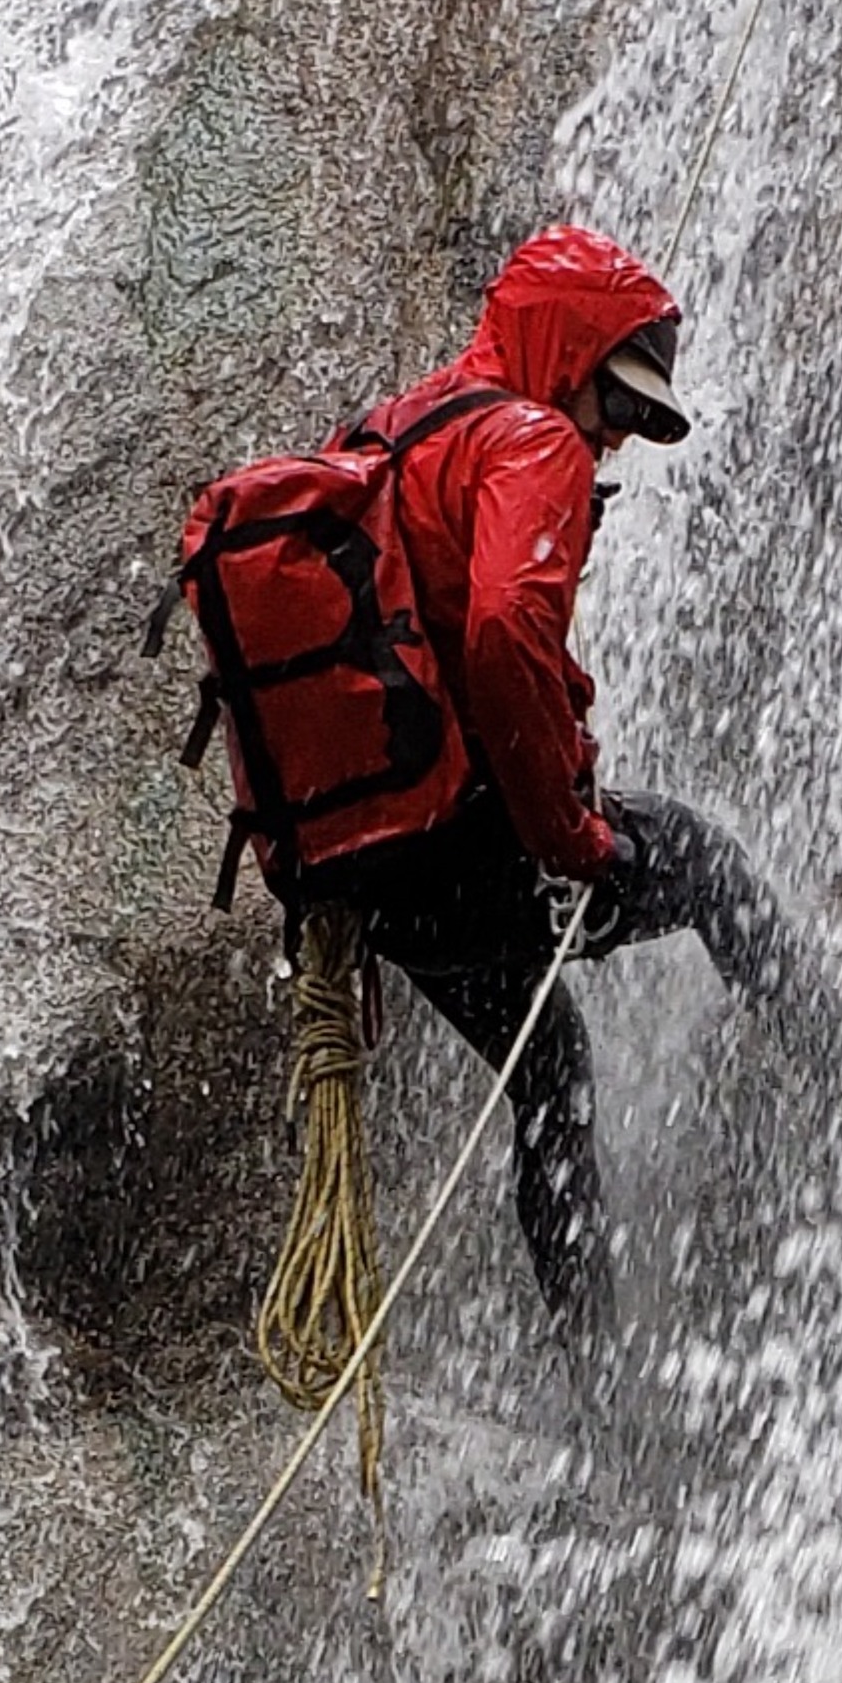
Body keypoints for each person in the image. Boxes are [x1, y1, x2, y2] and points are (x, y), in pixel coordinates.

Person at [293, 223, 797, 1339]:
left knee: (551, 1071)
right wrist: (569, 838)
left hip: (377, 881)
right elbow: (505, 630)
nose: (614, 440)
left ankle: (591, 1372)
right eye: (615, 404)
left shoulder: (392, 433)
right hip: (472, 844)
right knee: (704, 863)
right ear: (565, 351)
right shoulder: (533, 443)